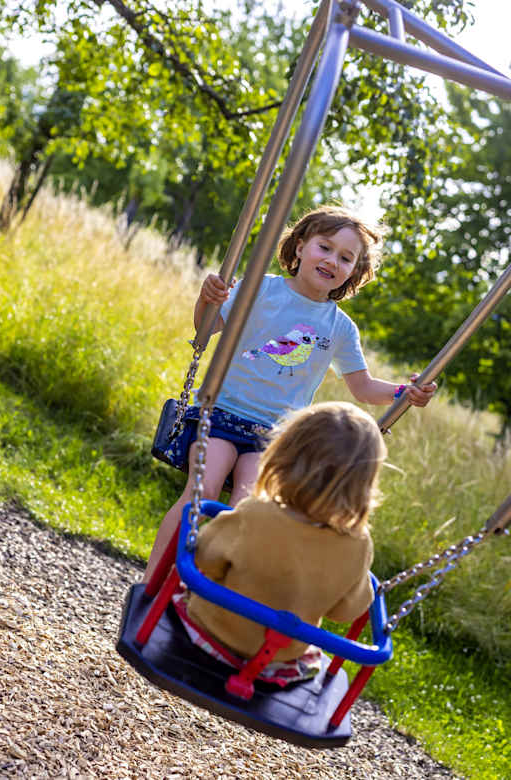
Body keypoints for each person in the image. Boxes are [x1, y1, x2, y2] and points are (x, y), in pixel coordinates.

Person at [143, 204, 436, 582]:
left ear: (354, 272)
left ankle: (201, 595)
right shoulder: (259, 288)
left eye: (346, 258)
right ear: (299, 247)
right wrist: (207, 298)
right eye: (325, 248)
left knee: (245, 512)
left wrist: (404, 392)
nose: (332, 260)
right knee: (202, 490)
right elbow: (206, 329)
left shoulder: (341, 329)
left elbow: (363, 388)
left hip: (273, 438)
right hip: (218, 413)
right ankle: (151, 583)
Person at [172, 401, 387, 681]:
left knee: (180, 591)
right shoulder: (359, 545)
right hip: (278, 662)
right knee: (314, 654)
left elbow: (204, 558)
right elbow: (345, 611)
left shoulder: (255, 513)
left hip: (210, 636)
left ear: (285, 455)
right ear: (365, 483)